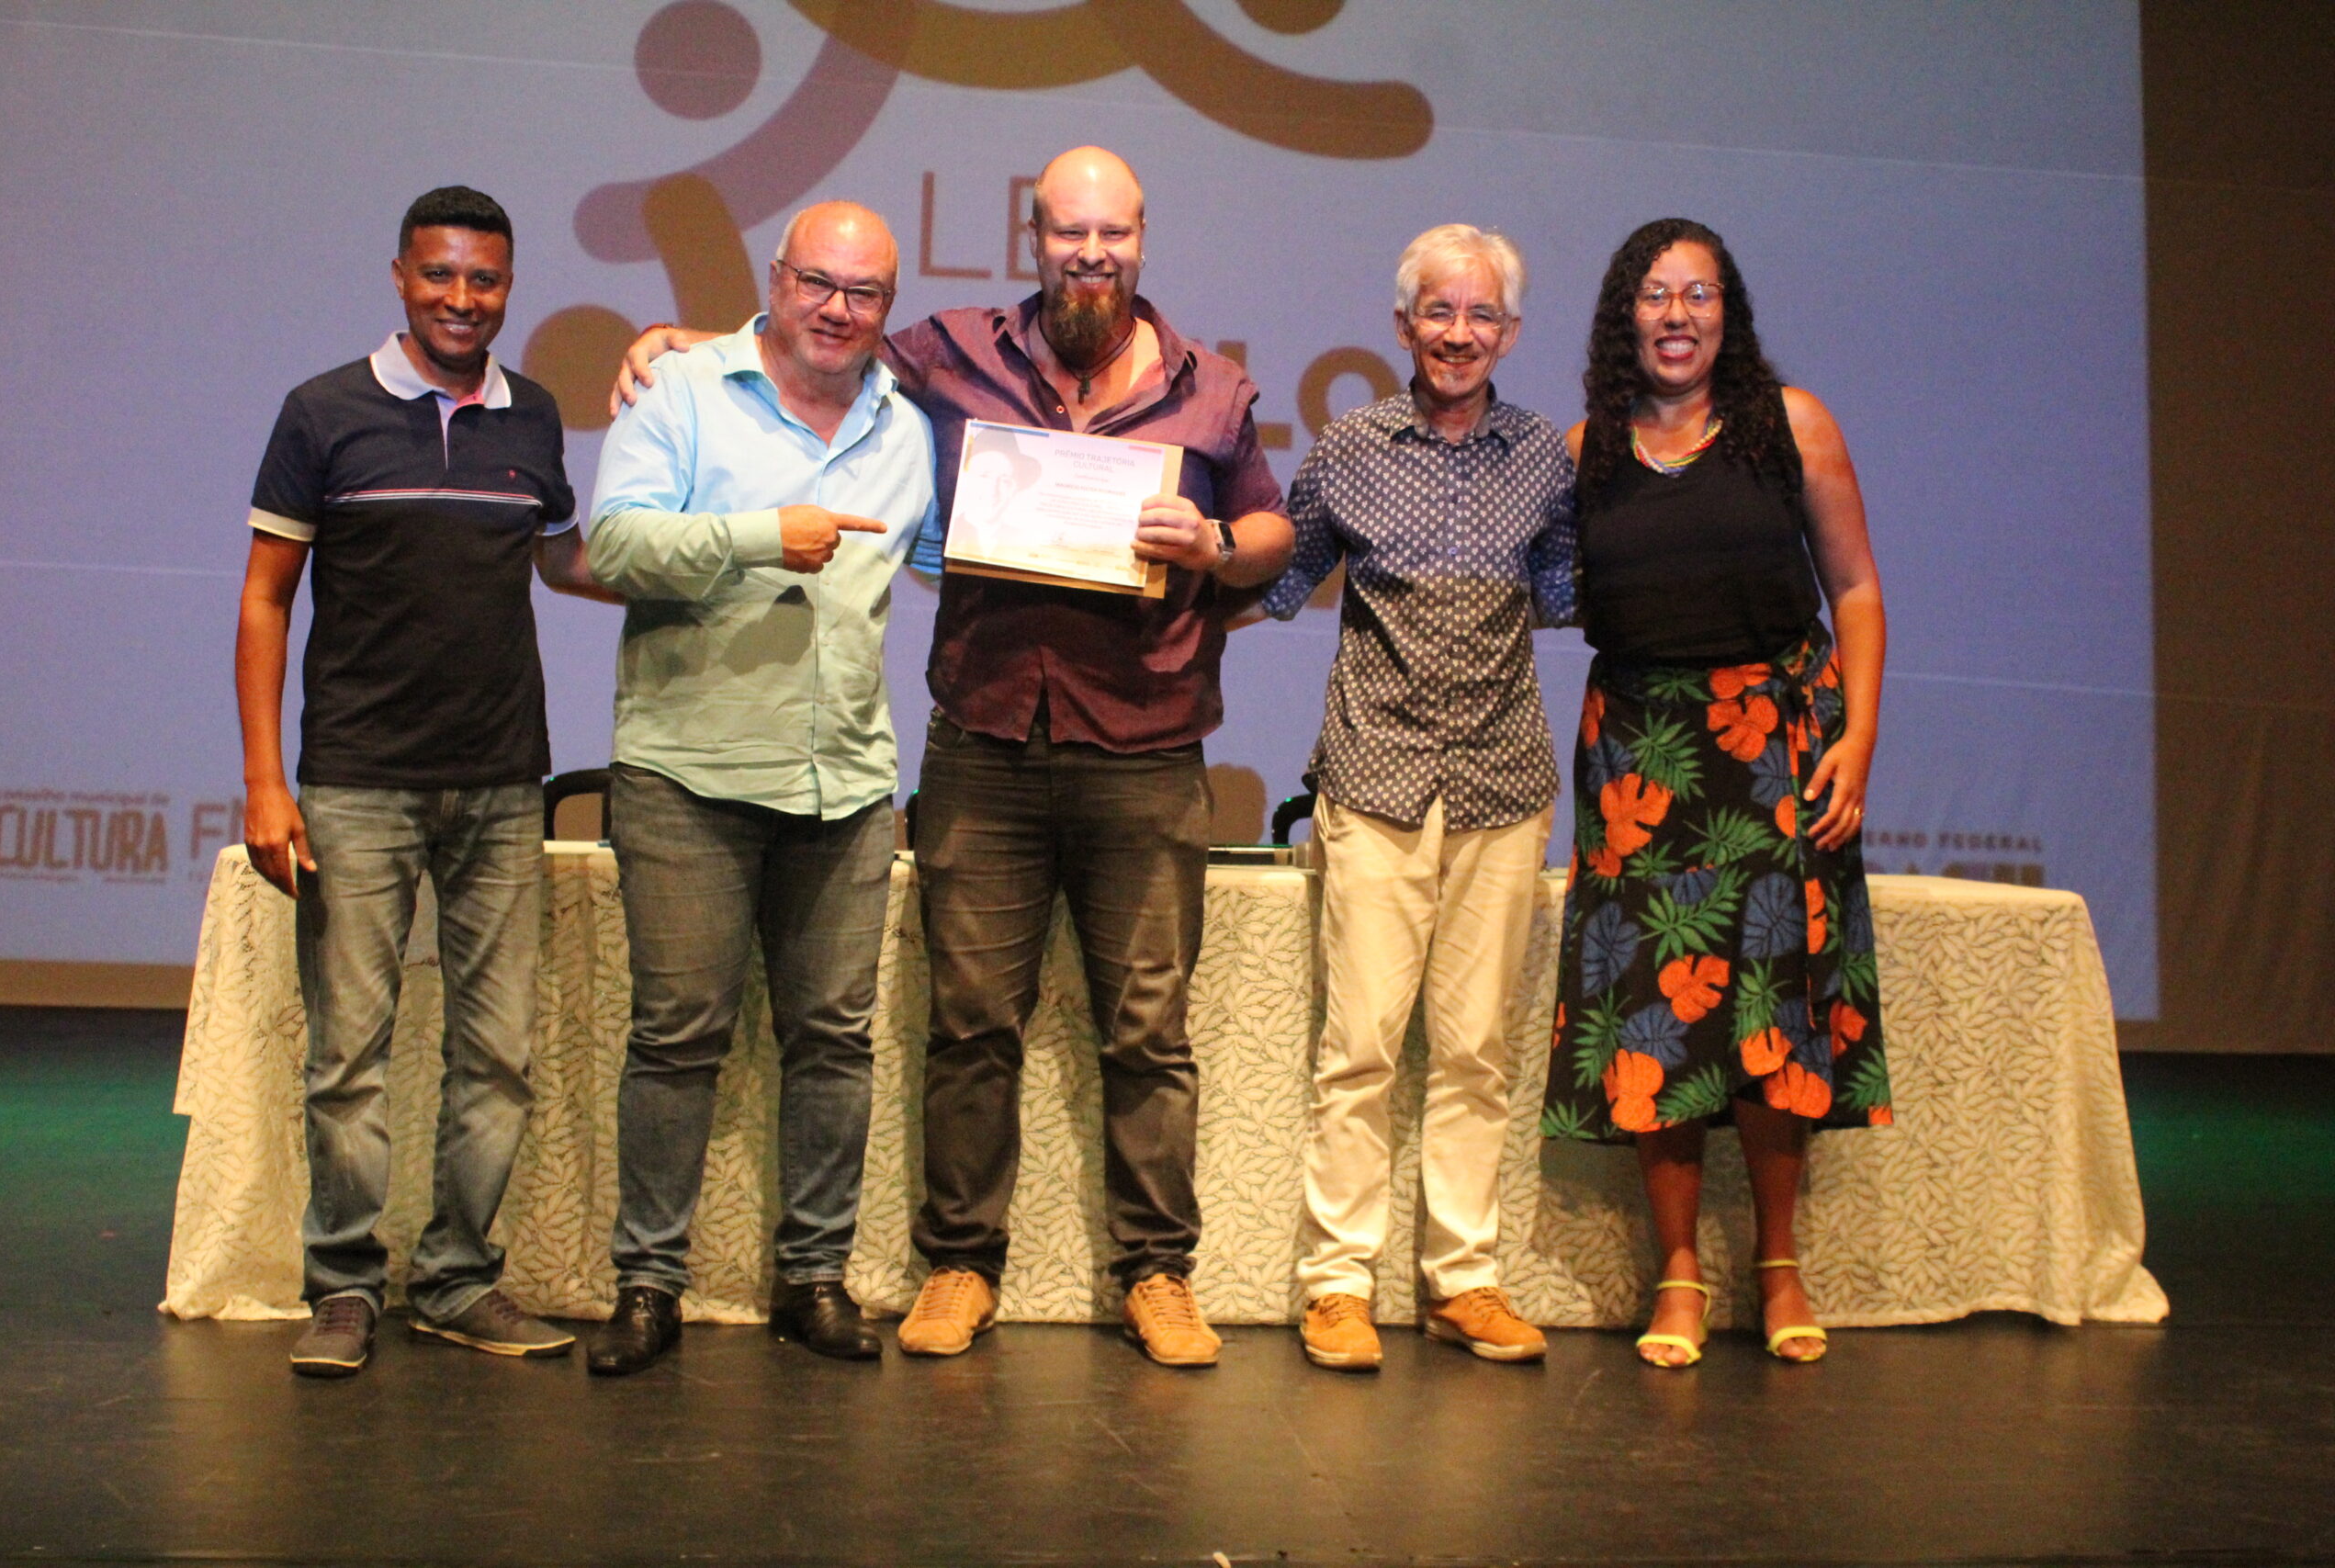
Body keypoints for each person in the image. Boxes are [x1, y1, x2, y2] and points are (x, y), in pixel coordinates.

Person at [616, 147, 1293, 1367]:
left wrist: (1214, 542)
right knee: (972, 1023)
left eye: (1113, 234)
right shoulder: (951, 351)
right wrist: (682, 338)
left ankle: (1158, 1272)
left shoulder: (1213, 387)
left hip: (1147, 743)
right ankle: (960, 1264)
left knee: (1149, 1030)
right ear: (1034, 240)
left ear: (1142, 240)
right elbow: (816, 334)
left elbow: (1273, 531)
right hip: (985, 738)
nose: (1091, 253)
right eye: (1069, 232)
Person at [236, 185, 617, 1378]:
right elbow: (265, 598)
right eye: (440, 275)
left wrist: (710, 555)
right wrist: (264, 778)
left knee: (496, 1055)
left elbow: (563, 561)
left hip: (501, 779)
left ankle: (457, 1278)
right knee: (349, 1055)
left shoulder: (532, 414)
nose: (462, 298)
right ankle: (345, 1287)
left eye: (484, 279)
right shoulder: (323, 412)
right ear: (401, 276)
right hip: (357, 782)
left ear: (509, 287)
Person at [581, 202, 938, 1376]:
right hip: (690, 772)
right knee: (678, 1038)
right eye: (817, 283)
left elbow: (964, 557)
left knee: (834, 1042)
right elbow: (614, 545)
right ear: (776, 280)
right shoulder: (680, 392)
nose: (837, 309)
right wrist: (754, 536)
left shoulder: (906, 430)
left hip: (847, 779)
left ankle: (813, 1278)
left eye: (864, 292)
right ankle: (647, 1284)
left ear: (888, 307)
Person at [1539, 218, 1891, 1368]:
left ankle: (1779, 1267)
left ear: (1726, 313)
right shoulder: (1584, 451)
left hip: (1779, 743)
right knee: (1659, 1012)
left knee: (1773, 1007)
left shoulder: (1792, 425)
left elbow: (1855, 589)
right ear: (1623, 316)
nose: (1676, 314)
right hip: (1642, 753)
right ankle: (1679, 1272)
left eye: (1698, 293)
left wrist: (1858, 739)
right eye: (1655, 294)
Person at [1261, 225, 1575, 1371]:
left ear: (1510, 333)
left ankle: (1463, 1281)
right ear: (1402, 326)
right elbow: (1277, 577)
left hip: (1501, 780)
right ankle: (1336, 1287)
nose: (1458, 333)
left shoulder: (1543, 458)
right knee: (1359, 1050)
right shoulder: (1347, 447)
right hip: (1376, 775)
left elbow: (1565, 595)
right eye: (1438, 312)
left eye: (1480, 314)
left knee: (1477, 1052)